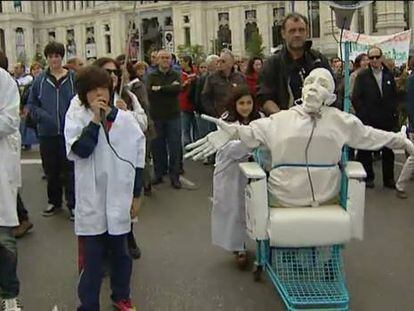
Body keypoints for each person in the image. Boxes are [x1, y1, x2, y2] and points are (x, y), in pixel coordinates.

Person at [186, 68, 414, 208]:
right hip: (285, 195)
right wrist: (231, 132)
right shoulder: (281, 119)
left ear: (331, 95)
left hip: (325, 196)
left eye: (322, 84)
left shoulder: (342, 121)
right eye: (309, 83)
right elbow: (251, 131)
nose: (314, 88)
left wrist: (401, 140)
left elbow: (370, 136)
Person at [64, 66, 145, 311]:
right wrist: (96, 121)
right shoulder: (76, 115)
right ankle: (88, 305)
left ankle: (121, 296)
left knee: (121, 255)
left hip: (118, 199)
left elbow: (138, 156)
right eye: (93, 91)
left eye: (104, 89)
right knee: (92, 260)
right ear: (83, 94)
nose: (100, 95)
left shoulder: (125, 119)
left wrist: (136, 195)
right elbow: (79, 150)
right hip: (92, 200)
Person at [211, 87, 261, 269]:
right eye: (241, 103)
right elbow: (230, 149)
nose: (246, 107)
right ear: (234, 104)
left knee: (254, 208)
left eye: (249, 102)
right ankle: (238, 247)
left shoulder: (260, 119)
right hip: (231, 172)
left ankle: (260, 245)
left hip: (254, 171)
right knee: (233, 209)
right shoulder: (226, 121)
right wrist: (251, 142)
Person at [28, 41, 76, 220]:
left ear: (61, 57)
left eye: (57, 56)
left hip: (69, 133)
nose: (54, 59)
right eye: (50, 56)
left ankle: (73, 204)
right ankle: (54, 202)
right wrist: (42, 116)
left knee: (70, 169)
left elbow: (80, 101)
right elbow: (32, 104)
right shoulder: (39, 80)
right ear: (47, 58)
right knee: (51, 170)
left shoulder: (73, 78)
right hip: (47, 133)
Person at [257, 13, 332, 116]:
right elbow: (265, 97)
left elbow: (332, 92)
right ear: (283, 34)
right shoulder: (272, 64)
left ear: (307, 32)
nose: (297, 34)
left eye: (301, 30)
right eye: (292, 31)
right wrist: (285, 118)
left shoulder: (319, 60)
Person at [352, 46, 399, 189]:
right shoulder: (362, 76)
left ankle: (389, 178)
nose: (374, 60)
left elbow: (393, 96)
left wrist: (393, 113)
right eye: (371, 58)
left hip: (386, 119)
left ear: (381, 57)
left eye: (377, 57)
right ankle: (368, 177)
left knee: (388, 150)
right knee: (366, 150)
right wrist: (364, 115)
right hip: (369, 119)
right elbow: (356, 98)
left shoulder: (388, 75)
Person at [0, 67, 23, 311]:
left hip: (0, 170)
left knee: (3, 239)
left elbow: (9, 121)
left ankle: (9, 295)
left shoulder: (2, 79)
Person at [146, 50, 183, 189]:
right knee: (157, 146)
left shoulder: (176, 74)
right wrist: (167, 89)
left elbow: (177, 89)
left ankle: (175, 176)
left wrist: (160, 89)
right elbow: (149, 91)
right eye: (162, 58)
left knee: (174, 146)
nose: (165, 60)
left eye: (167, 58)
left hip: (173, 115)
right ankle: (159, 174)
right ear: (158, 60)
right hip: (156, 116)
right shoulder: (151, 76)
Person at [201, 49, 247, 118]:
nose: (220, 63)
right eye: (219, 60)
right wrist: (214, 113)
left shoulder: (240, 77)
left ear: (231, 63)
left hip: (237, 116)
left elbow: (245, 95)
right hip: (219, 116)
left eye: (223, 61)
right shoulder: (212, 78)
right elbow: (205, 97)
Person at [179, 55, 198, 147]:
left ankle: (196, 143)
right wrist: (185, 84)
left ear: (187, 62)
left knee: (196, 126)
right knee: (185, 126)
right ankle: (187, 144)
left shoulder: (195, 73)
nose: (180, 63)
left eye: (181, 61)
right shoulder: (179, 74)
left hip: (194, 104)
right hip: (184, 103)